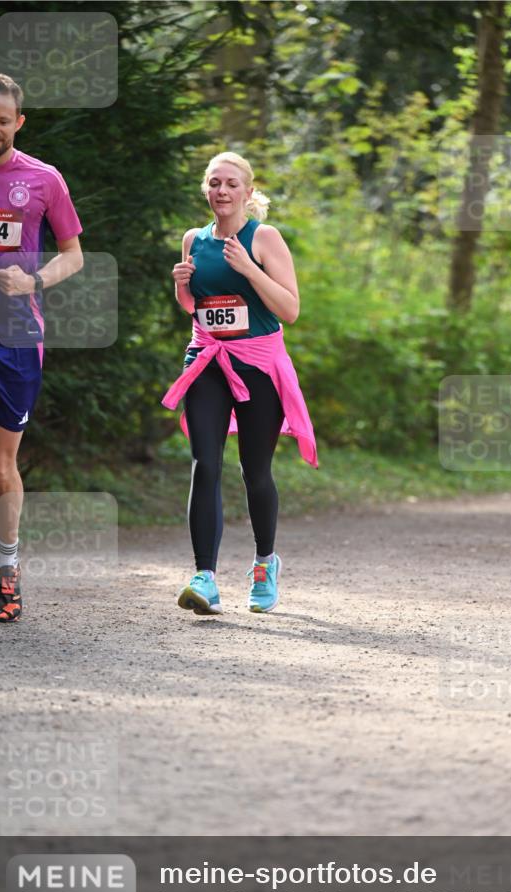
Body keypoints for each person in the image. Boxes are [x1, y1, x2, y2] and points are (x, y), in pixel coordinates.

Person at [162, 151, 317, 615]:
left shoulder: (264, 237)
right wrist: (181, 285)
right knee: (205, 463)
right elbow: (195, 308)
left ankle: (265, 564)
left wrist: (250, 268)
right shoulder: (193, 239)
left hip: (258, 365)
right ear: (206, 190)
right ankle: (204, 577)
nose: (222, 191)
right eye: (214, 183)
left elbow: (289, 310)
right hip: (206, 360)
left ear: (248, 193)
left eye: (231, 184)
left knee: (255, 470)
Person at [0, 74, 83, 627]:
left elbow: (73, 255)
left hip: (16, 337)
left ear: (19, 122)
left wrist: (35, 283)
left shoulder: (43, 179)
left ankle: (7, 575)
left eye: (3, 120)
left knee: (0, 467)